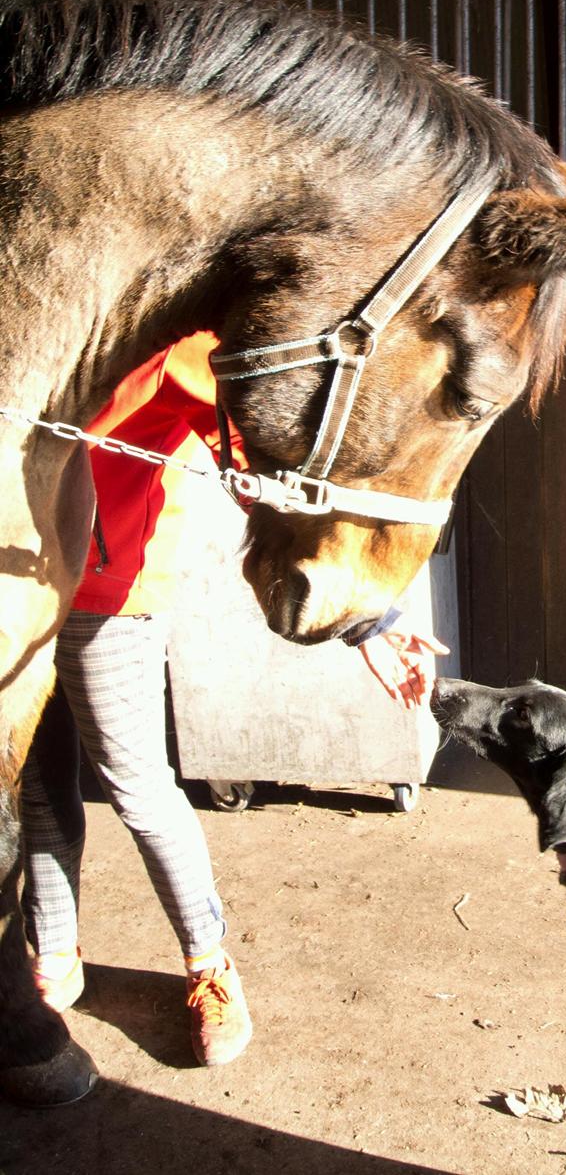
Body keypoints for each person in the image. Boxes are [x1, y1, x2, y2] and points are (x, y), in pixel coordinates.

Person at [19, 332, 445, 1067]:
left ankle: (209, 961)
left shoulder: (181, 342)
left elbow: (278, 472)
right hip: (15, 585)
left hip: (108, 597)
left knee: (139, 791)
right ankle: (54, 951)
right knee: (34, 781)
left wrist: (364, 618)